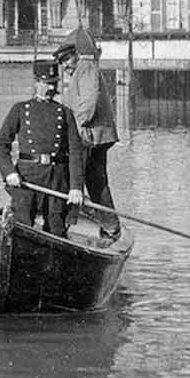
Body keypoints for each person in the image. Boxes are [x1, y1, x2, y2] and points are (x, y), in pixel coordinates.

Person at [0, 59, 86, 237]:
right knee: (22, 225)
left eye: (54, 83)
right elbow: (1, 144)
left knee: (56, 227)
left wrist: (76, 187)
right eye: (46, 84)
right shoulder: (20, 109)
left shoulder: (65, 113)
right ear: (36, 83)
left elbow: (75, 152)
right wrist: (9, 172)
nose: (51, 88)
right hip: (27, 177)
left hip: (56, 178)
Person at [55, 27, 122, 243]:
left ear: (77, 55)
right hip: (95, 135)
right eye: (61, 61)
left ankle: (66, 225)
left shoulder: (86, 68)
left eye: (67, 59)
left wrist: (71, 127)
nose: (64, 65)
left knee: (76, 177)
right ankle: (109, 225)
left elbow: (89, 102)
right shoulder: (83, 69)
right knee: (94, 180)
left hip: (89, 136)